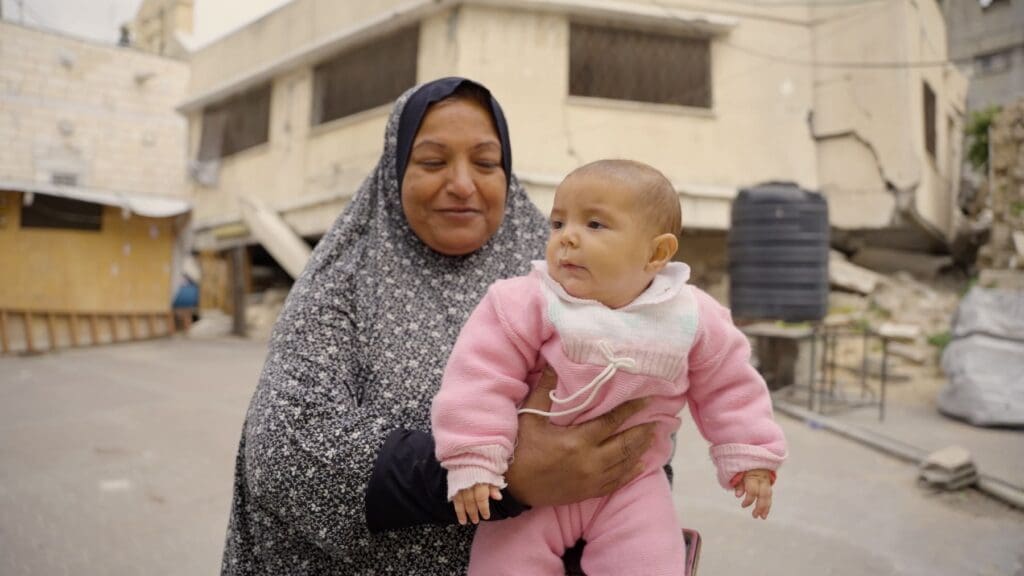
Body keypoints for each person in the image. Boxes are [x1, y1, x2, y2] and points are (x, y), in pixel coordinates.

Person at [220, 78, 658, 575]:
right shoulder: (340, 286)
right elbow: (284, 456)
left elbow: (645, 407)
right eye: (432, 162)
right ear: (394, 171)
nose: (463, 184)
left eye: (486, 163)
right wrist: (504, 475)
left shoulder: (571, 270)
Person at [431, 159, 788, 575]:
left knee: (651, 563)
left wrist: (751, 454)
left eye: (595, 225)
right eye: (559, 223)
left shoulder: (691, 316)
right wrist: (474, 457)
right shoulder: (527, 300)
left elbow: (729, 386)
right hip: (535, 483)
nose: (567, 239)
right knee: (503, 565)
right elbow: (480, 378)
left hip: (632, 482)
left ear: (657, 253)